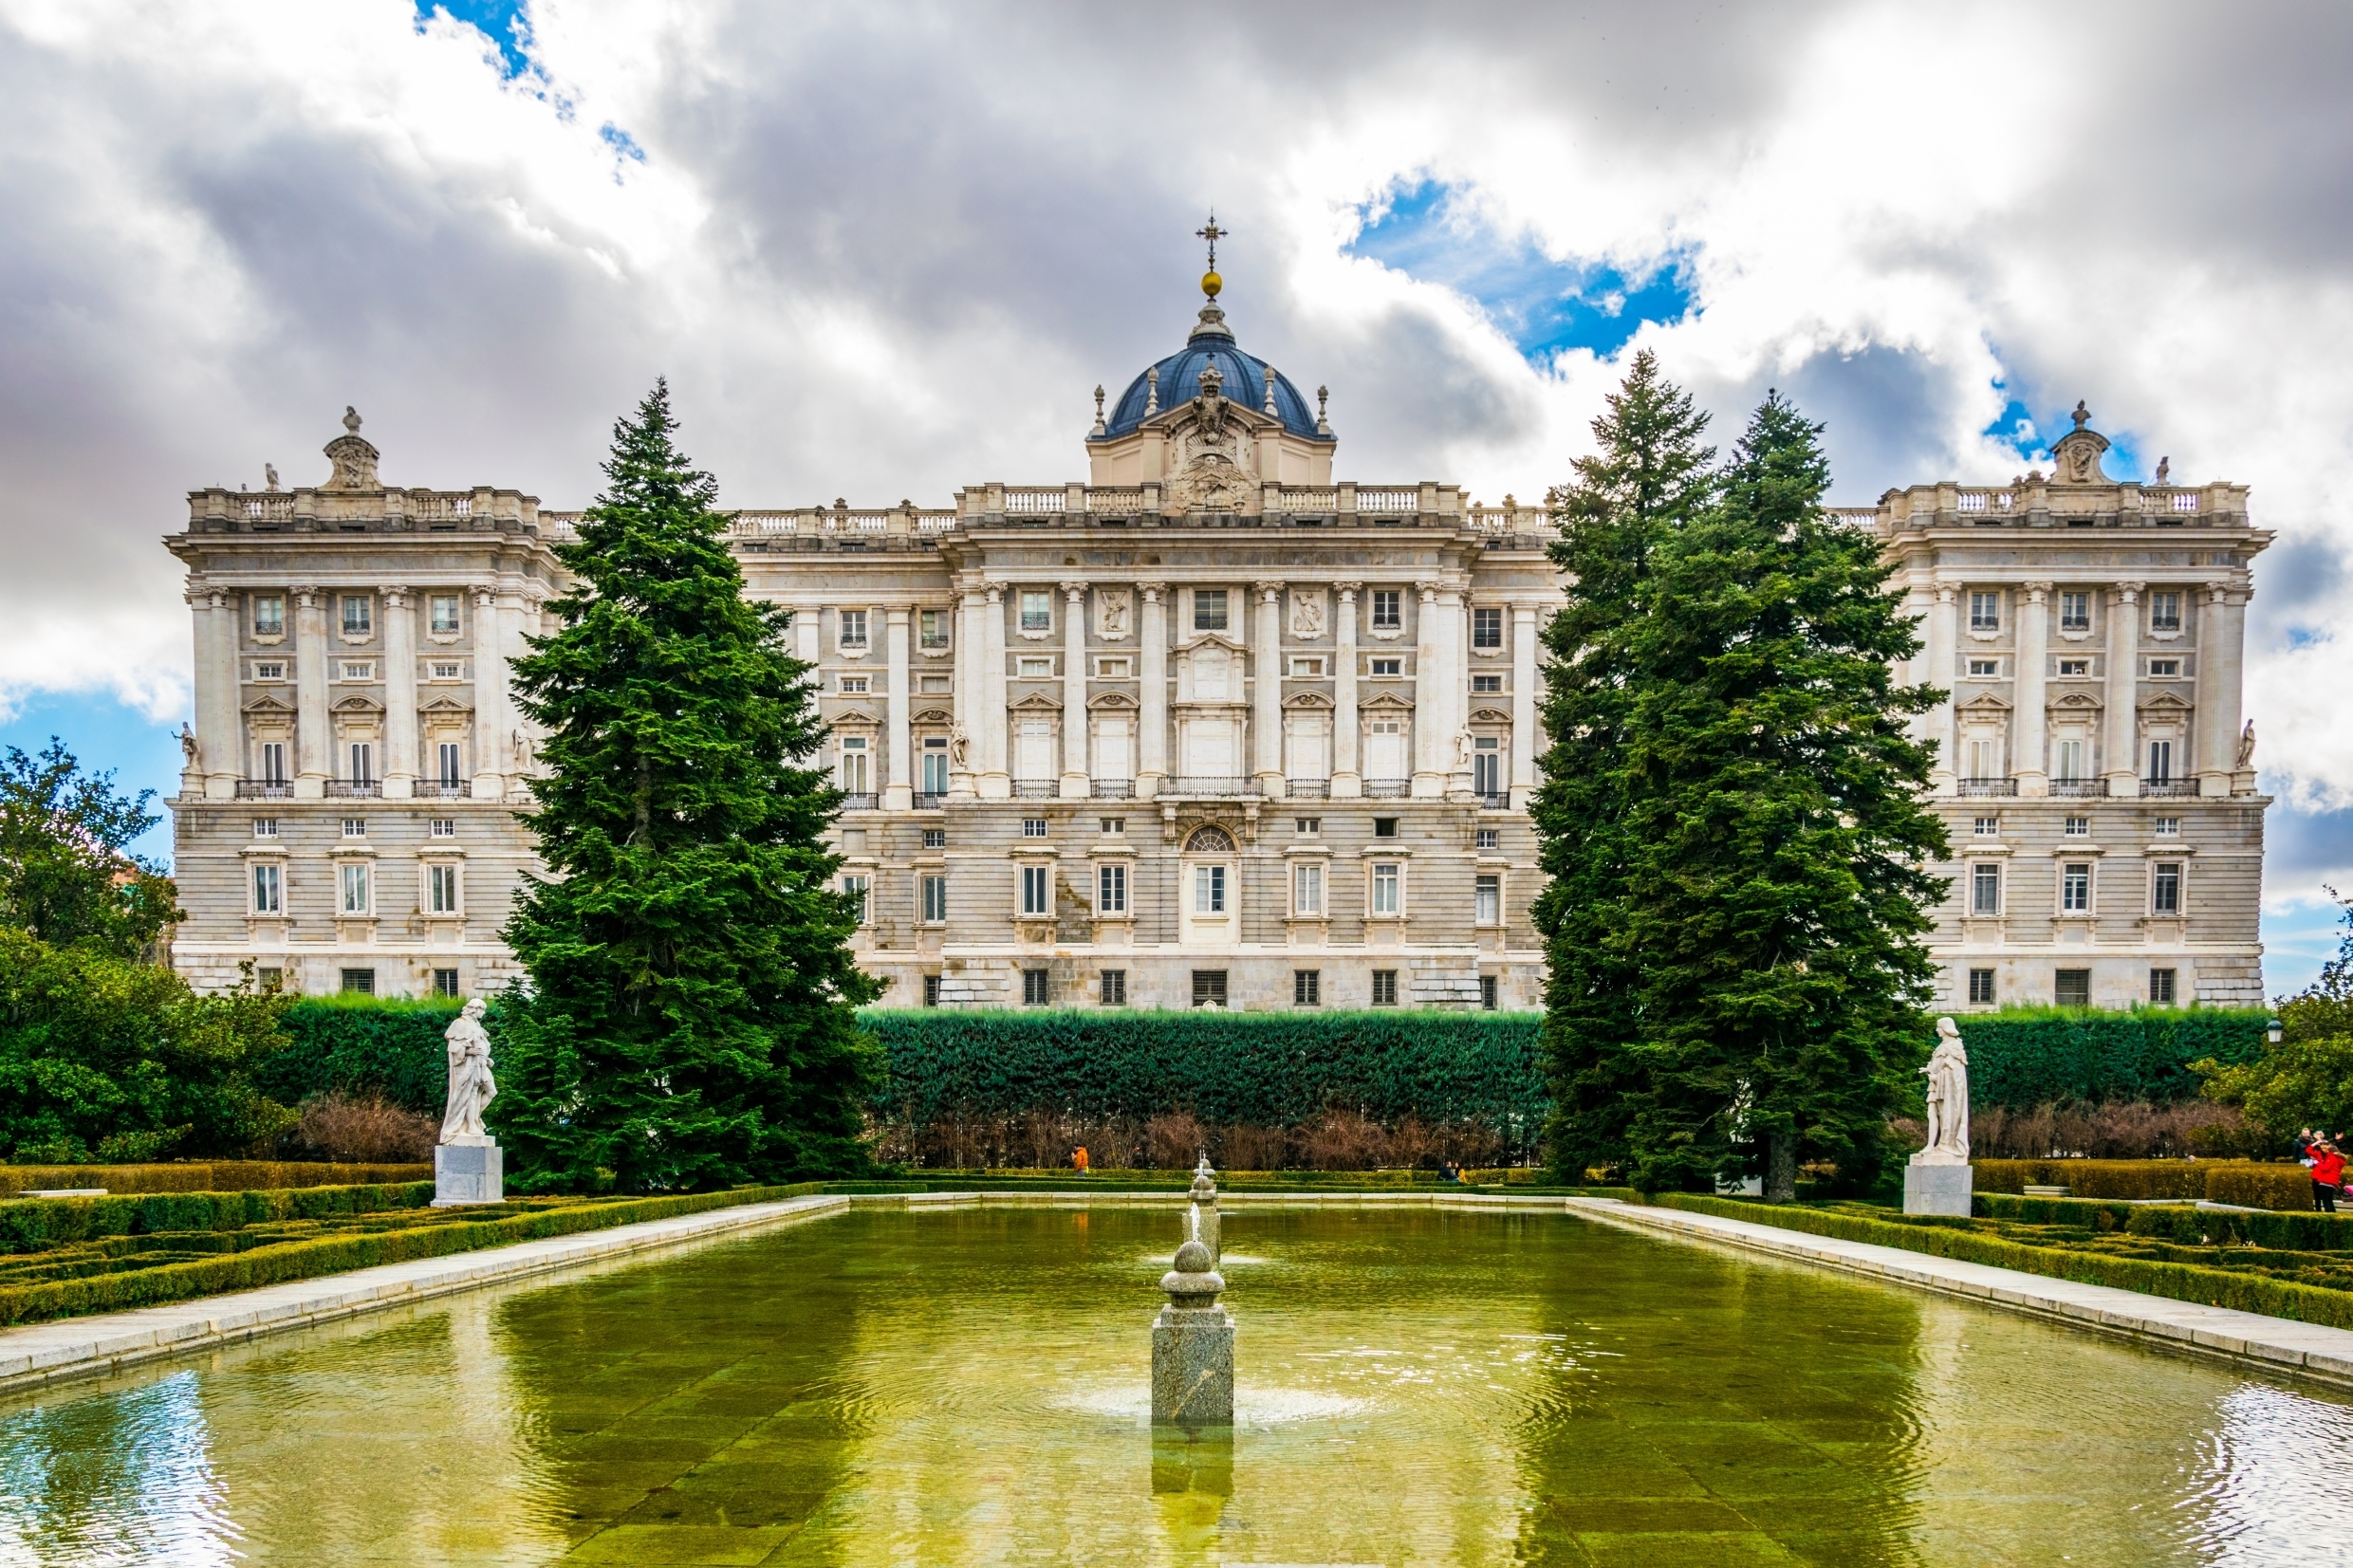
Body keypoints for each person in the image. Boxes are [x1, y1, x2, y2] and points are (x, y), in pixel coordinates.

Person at [2311, 1141, 2345, 1215]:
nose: (2326, 1151)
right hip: (2333, 1182)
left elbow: (2325, 1168)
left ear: (2330, 1151)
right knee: (2329, 1200)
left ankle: (2329, 1217)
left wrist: (2316, 1162)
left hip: (2326, 1181)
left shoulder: (2331, 1157)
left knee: (2326, 1201)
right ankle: (2334, 1216)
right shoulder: (2339, 1159)